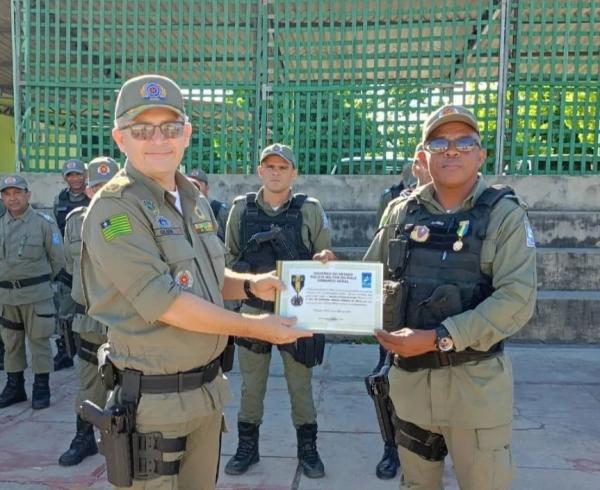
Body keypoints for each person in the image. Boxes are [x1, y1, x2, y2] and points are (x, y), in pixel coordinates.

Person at [80, 74, 311, 490]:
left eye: (169, 127)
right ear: (120, 139)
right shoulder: (115, 210)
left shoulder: (193, 199)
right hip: (154, 404)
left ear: (186, 134)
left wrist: (250, 285)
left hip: (207, 391)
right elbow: (167, 301)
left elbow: (202, 276)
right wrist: (255, 328)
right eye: (141, 129)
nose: (157, 140)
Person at [365, 104, 537, 490]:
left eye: (465, 141)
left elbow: (517, 298)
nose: (452, 150)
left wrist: (440, 336)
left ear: (480, 154)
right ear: (424, 156)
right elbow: (368, 280)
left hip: (475, 392)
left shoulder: (503, 215)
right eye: (439, 142)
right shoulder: (400, 212)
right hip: (409, 389)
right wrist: (325, 281)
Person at [224, 143, 336, 479]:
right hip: (253, 312)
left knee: (300, 386)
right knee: (250, 386)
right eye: (269, 167)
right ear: (260, 171)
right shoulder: (241, 210)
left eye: (282, 167)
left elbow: (324, 254)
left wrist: (325, 258)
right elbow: (228, 259)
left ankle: (308, 450)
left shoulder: (310, 209)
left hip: (296, 313)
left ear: (294, 173)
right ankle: (247, 448)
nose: (275, 173)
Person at [371, 142, 432, 480]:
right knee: (387, 386)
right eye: (418, 160)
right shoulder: (397, 206)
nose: (422, 165)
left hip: (437, 318)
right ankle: (391, 449)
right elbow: (376, 262)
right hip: (397, 312)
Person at [58, 156, 120, 467]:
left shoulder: (129, 220)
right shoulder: (74, 220)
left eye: (107, 185)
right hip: (86, 317)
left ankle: (123, 443)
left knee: (127, 383)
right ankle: (84, 437)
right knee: (87, 381)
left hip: (121, 320)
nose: (100, 191)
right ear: (87, 188)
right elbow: (71, 270)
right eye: (95, 185)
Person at [0, 174, 66, 410]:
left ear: (28, 195)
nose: (12, 198)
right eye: (7, 194)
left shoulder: (43, 223)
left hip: (37, 295)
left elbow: (58, 259)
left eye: (17, 193)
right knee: (11, 343)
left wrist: (38, 281)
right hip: (6, 298)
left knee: (39, 342)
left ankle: (41, 387)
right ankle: (15, 386)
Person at [53, 158, 90, 371]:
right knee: (65, 311)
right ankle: (65, 351)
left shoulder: (93, 195)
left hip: (89, 263)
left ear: (85, 175)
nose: (74, 178)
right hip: (68, 265)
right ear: (65, 178)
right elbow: (56, 234)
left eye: (78, 174)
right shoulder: (60, 200)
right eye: (70, 175)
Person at [187, 169, 228, 242]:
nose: (194, 188)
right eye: (190, 184)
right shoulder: (180, 209)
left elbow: (227, 239)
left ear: (207, 188)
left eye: (198, 184)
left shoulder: (218, 209)